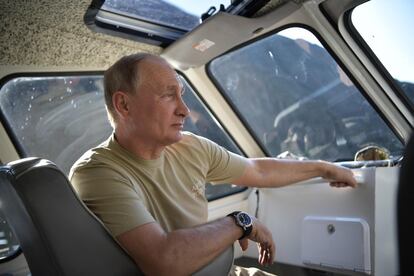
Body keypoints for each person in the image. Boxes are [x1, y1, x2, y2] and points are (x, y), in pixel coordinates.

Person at [69, 53, 357, 276]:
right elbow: (164, 261)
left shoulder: (190, 147)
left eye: (181, 95)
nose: (183, 110)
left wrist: (324, 167)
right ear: (124, 105)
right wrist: (240, 223)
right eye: (168, 95)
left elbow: (257, 170)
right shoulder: (97, 172)